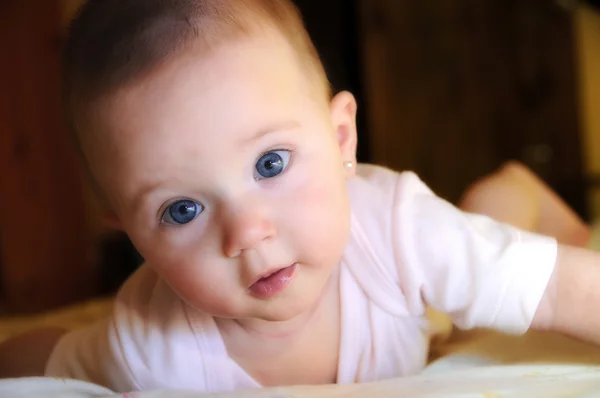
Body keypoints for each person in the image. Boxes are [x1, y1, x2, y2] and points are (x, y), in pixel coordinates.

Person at [2, 0, 600, 393]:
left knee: (495, 225)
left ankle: (524, 186)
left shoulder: (395, 227)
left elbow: (557, 290)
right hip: (417, 304)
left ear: (341, 138)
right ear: (130, 234)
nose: (247, 233)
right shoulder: (149, 348)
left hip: (418, 287)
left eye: (270, 163)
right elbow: (49, 359)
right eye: (182, 210)